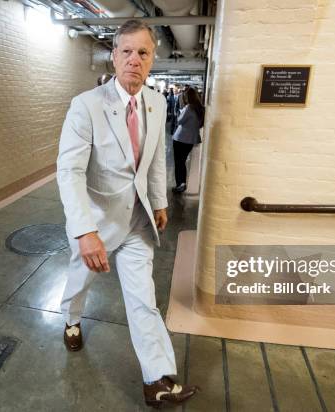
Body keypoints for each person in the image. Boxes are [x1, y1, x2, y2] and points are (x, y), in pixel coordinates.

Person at [56, 19, 199, 408]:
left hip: (136, 221)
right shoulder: (86, 106)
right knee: (79, 284)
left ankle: (157, 379)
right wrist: (84, 231)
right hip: (97, 223)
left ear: (152, 58)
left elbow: (152, 161)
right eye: (126, 51)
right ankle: (71, 320)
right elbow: (69, 172)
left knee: (143, 299)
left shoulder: (154, 102)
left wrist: (158, 201)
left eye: (143, 53)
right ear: (114, 55)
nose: (134, 60)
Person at [171, 88, 204, 193]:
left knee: (178, 162)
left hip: (180, 138)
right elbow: (200, 124)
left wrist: (181, 111)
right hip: (191, 140)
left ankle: (180, 185)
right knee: (182, 161)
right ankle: (182, 183)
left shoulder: (189, 107)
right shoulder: (201, 108)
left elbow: (180, 120)